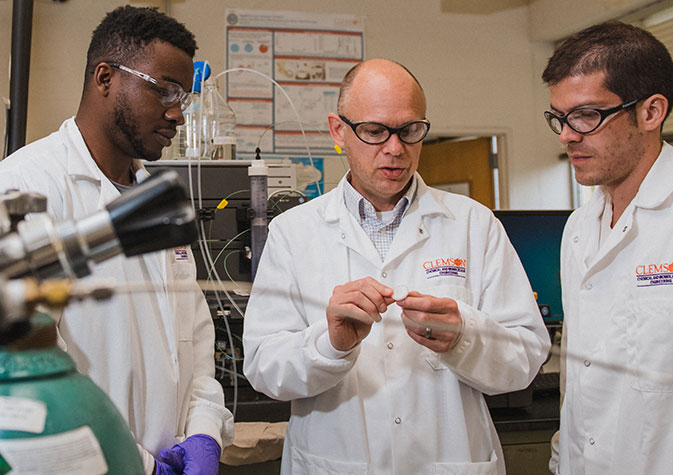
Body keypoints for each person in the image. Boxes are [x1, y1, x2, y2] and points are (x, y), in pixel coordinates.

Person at [242, 58, 550, 474]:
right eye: (374, 131)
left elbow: (526, 358)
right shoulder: (293, 232)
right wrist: (329, 344)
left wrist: (463, 336)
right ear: (339, 131)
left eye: (410, 131)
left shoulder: (474, 224)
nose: (395, 148)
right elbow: (264, 368)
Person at [0, 6, 233, 475]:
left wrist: (205, 431)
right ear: (105, 77)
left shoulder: (156, 201)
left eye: (183, 97)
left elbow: (194, 338)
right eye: (164, 90)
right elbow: (33, 360)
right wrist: (139, 464)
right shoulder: (25, 187)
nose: (177, 114)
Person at [542, 21, 673, 474]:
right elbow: (581, 381)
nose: (567, 135)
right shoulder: (579, 228)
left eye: (586, 116)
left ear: (651, 112)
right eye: (559, 118)